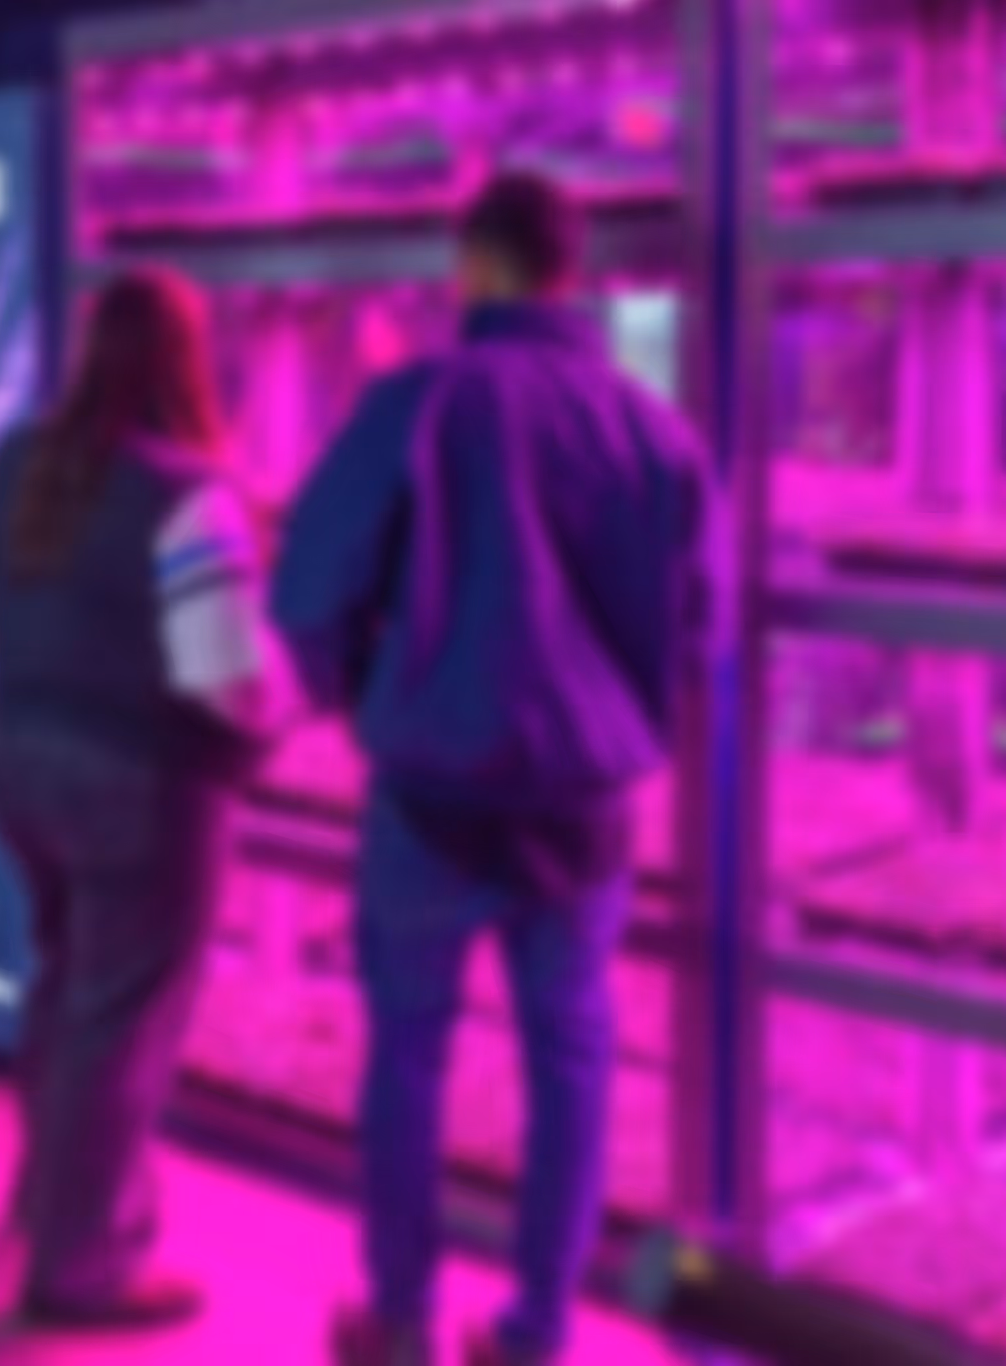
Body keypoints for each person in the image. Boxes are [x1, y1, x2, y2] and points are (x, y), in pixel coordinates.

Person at [271, 172, 722, 1366]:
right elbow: (700, 629)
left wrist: (354, 699)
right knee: (569, 1054)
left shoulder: (415, 404)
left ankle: (402, 1321)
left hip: (426, 796)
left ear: (470, 264)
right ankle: (535, 1331)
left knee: (407, 1053)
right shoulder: (653, 430)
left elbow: (307, 584)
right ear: (572, 272)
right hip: (585, 811)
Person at [0, 267, 296, 1330]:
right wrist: (297, 698)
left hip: (18, 765)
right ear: (189, 362)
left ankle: (42, 1199)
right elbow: (219, 675)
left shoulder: (12, 464)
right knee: (121, 1022)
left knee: (66, 986)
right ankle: (82, 1268)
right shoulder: (186, 491)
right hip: (138, 787)